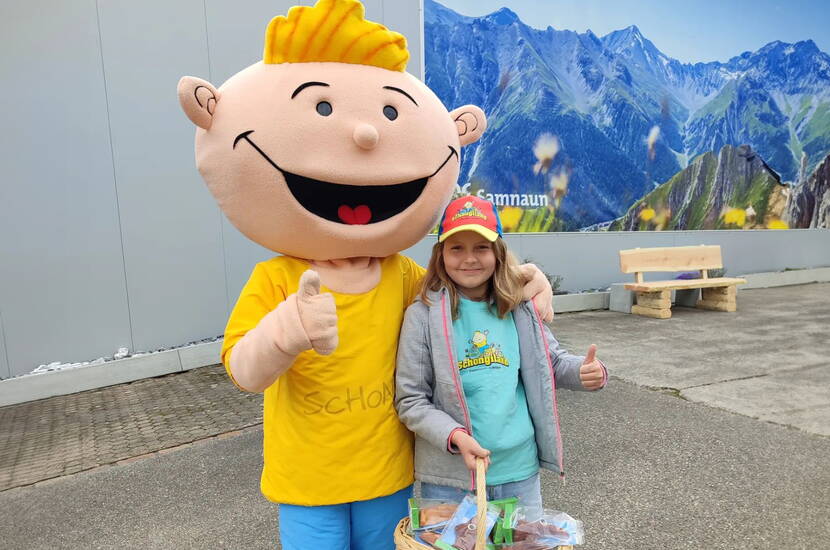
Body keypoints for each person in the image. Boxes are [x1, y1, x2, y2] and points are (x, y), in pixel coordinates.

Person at [176, 2, 554, 548]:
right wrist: (284, 332)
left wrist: (524, 285)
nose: (366, 135)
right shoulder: (277, 278)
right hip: (308, 478)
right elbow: (242, 370)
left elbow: (469, 291)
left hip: (387, 473)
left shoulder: (402, 274)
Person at [395, 195, 608, 517]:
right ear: (440, 255)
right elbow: (411, 400)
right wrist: (454, 437)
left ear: (498, 253)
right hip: (450, 476)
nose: (469, 259)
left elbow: (551, 363)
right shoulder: (422, 315)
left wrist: (585, 372)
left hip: (518, 471)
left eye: (481, 247)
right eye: (457, 248)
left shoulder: (520, 306)